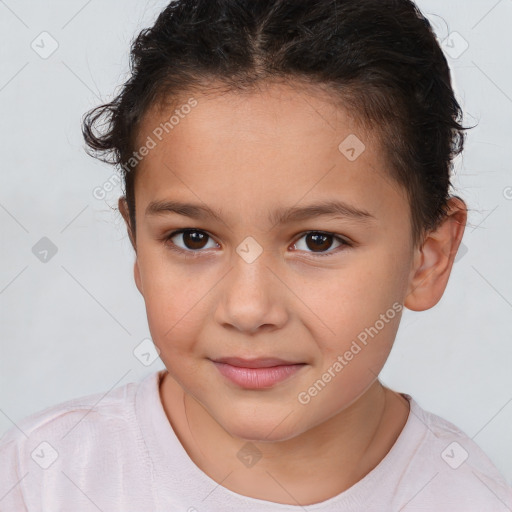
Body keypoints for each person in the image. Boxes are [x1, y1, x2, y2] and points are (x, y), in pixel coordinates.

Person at [1, 0, 511, 510]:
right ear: (136, 241)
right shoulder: (43, 478)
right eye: (193, 238)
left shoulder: (467, 498)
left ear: (428, 257)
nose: (247, 310)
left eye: (318, 240)